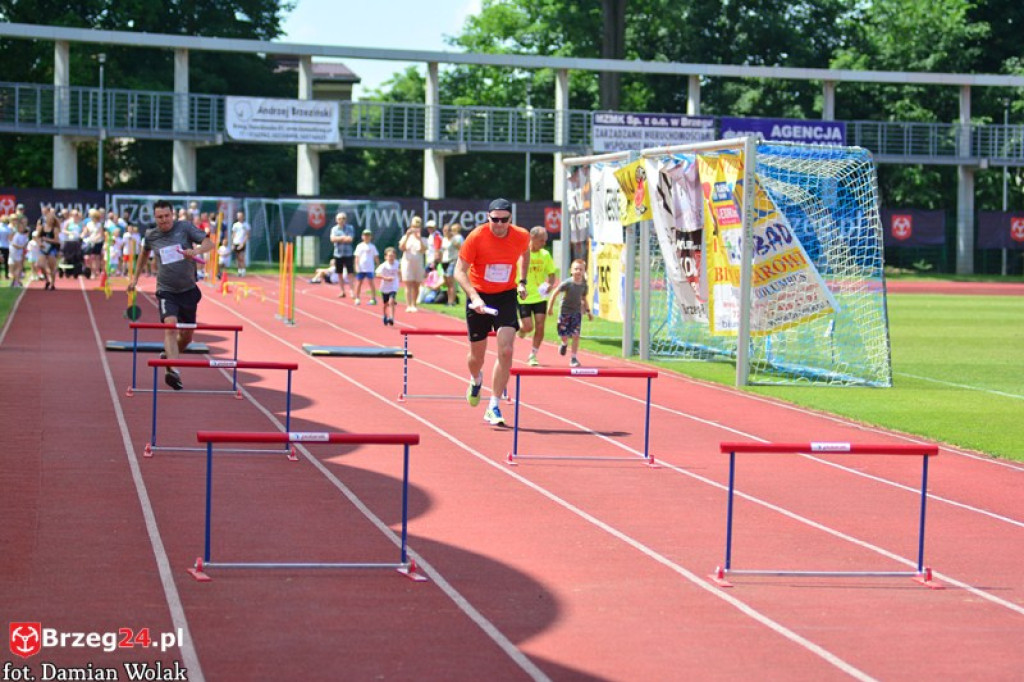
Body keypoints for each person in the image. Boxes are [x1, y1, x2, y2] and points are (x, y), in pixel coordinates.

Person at [454, 198, 530, 426]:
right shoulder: (476, 237)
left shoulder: (521, 235)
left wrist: (523, 281)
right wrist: (474, 297)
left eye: (503, 220)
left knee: (506, 350)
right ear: (488, 217)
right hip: (478, 295)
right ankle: (476, 380)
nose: (498, 224)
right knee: (476, 357)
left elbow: (525, 254)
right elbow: (459, 271)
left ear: (510, 220)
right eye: (494, 220)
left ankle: (494, 405)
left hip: (506, 294)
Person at [127, 199, 214, 391]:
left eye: (166, 216)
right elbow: (143, 255)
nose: (163, 220)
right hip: (166, 290)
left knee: (187, 337)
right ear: (155, 217)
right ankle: (173, 371)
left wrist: (196, 250)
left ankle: (168, 357)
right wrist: (135, 279)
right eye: (159, 217)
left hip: (188, 290)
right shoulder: (151, 235)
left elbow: (210, 243)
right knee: (170, 327)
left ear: (172, 215)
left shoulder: (185, 228)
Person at [517, 226, 559, 366]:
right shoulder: (520, 252)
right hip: (524, 296)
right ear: (532, 238)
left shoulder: (545, 255)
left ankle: (533, 355)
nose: (544, 243)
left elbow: (552, 275)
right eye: (541, 240)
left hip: (540, 296)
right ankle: (522, 329)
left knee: (540, 325)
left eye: (545, 240)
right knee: (529, 327)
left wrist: (549, 285)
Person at [546, 258, 593, 368]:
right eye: (576, 269)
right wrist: (550, 307)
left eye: (580, 269)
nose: (578, 271)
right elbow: (555, 293)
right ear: (571, 270)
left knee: (576, 335)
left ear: (584, 271)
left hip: (576, 313)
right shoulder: (567, 283)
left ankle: (573, 358)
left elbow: (584, 298)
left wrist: (588, 311)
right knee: (564, 334)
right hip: (565, 312)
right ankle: (564, 343)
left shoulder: (584, 285)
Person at [398, 217, 426, 312]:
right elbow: (402, 247)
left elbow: (423, 250)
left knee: (416, 284)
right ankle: (408, 304)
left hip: (418, 263)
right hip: (407, 262)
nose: (415, 228)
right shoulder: (406, 237)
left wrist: (419, 239)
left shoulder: (423, 238)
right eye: (414, 226)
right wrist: (407, 236)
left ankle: (414, 304)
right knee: (408, 283)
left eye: (417, 227)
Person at [329, 211, 355, 298]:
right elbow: (332, 239)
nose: (342, 220)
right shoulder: (334, 229)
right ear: (337, 220)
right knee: (339, 273)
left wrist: (338, 239)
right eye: (340, 219)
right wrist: (343, 238)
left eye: (343, 218)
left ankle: (352, 291)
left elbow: (350, 239)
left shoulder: (350, 228)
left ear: (346, 220)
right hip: (338, 254)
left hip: (348, 253)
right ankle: (342, 291)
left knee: (350, 273)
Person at [352, 228, 380, 305]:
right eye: (365, 235)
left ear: (371, 237)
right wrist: (356, 266)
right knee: (359, 283)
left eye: (368, 235)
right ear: (362, 237)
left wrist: (378, 266)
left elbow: (376, 257)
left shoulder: (372, 246)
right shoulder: (359, 246)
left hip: (369, 268)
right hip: (361, 268)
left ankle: (373, 298)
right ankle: (357, 297)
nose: (367, 237)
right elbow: (357, 257)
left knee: (371, 283)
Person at [375, 247, 401, 326]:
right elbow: (377, 274)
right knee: (385, 304)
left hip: (393, 286)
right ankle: (385, 315)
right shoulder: (383, 265)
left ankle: (391, 317)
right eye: (389, 256)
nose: (391, 258)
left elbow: (400, 270)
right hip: (385, 287)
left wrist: (401, 276)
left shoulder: (397, 263)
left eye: (392, 256)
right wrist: (386, 278)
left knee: (391, 301)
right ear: (386, 257)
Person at [36, 211, 61, 289]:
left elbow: (57, 240)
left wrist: (47, 239)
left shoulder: (55, 229)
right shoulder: (42, 227)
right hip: (43, 248)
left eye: (51, 219)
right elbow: (38, 237)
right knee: (40, 265)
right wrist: (40, 243)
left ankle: (52, 284)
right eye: (48, 219)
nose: (49, 220)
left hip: (52, 249)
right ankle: (47, 280)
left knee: (52, 267)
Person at [440, 223, 463, 306]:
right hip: (444, 261)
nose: (445, 232)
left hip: (452, 261)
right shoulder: (444, 239)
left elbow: (461, 249)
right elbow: (442, 251)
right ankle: (449, 299)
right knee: (446, 282)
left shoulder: (454, 239)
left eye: (447, 230)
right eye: (444, 230)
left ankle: (451, 301)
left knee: (451, 282)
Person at [230, 210, 251, 277]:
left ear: (243, 216)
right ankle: (239, 271)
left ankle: (243, 270)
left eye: (240, 216)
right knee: (237, 257)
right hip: (236, 242)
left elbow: (247, 235)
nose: (239, 217)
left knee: (242, 257)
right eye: (238, 216)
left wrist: (243, 243)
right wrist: (232, 243)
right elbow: (233, 234)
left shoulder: (246, 225)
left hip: (242, 243)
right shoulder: (235, 225)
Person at [0, 214, 12, 280]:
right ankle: (6, 275)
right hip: (6, 246)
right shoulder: (8, 228)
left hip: (1, 245)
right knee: (6, 261)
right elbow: (10, 238)